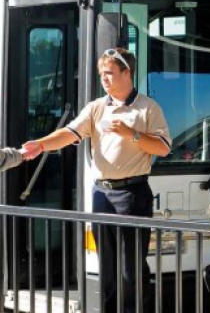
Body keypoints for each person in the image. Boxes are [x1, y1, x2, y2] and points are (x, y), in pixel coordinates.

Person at [24, 47, 171, 313]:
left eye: (109, 73)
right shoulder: (96, 107)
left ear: (127, 72)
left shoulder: (148, 107)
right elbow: (69, 133)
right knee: (107, 268)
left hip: (132, 195)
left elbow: (162, 148)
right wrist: (41, 145)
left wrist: (132, 134)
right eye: (101, 73)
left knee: (131, 269)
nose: (103, 78)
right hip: (101, 194)